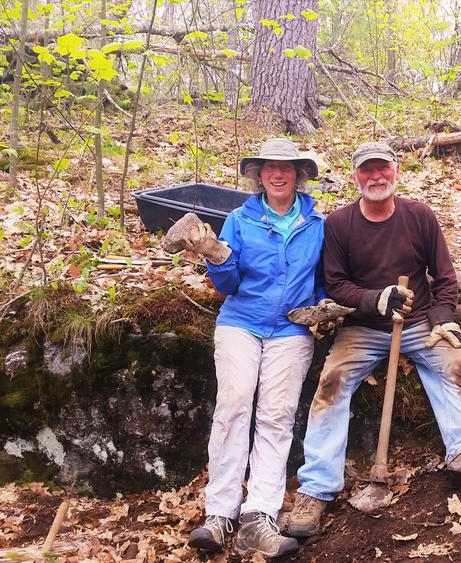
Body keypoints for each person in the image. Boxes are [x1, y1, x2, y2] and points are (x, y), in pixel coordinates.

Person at [281, 142, 461, 539]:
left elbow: (445, 277)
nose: (376, 177)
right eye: (366, 171)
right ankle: (317, 489)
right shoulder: (339, 225)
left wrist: (444, 319)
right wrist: (376, 300)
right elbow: (335, 284)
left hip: (420, 322)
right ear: (355, 177)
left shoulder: (419, 216)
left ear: (395, 171)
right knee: (331, 382)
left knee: (457, 364)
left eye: (382, 169)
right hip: (363, 328)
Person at [182, 138, 324, 558]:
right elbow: (227, 286)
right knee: (234, 402)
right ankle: (219, 513)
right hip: (240, 323)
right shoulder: (239, 219)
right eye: (269, 168)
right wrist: (215, 254)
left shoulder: (318, 224)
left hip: (291, 330)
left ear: (299, 175)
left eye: (287, 168)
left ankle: (258, 515)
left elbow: (325, 279)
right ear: (258, 174)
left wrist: (321, 309)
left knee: (277, 415)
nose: (278, 174)